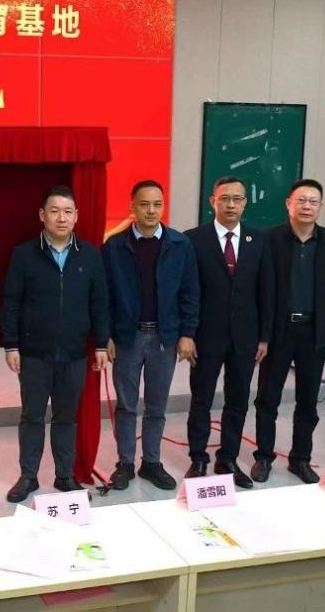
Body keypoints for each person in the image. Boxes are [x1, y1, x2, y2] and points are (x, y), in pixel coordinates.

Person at [0, 185, 110, 503]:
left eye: (67, 212)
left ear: (76, 217)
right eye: (54, 211)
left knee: (66, 417)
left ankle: (64, 475)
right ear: (42, 215)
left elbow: (99, 303)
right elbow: (11, 303)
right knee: (32, 416)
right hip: (34, 354)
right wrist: (11, 345)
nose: (61, 218)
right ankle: (28, 476)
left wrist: (101, 344)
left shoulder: (90, 255)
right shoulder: (24, 255)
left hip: (74, 353)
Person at [251, 179, 325, 484]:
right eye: (301, 200)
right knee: (268, 397)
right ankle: (263, 457)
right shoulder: (269, 239)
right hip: (278, 332)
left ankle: (300, 459)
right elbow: (258, 289)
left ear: (320, 206)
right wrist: (262, 335)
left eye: (313, 201)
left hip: (314, 332)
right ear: (288, 203)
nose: (307, 206)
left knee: (308, 400)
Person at [102, 180, 198, 492]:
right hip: (127, 338)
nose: (151, 210)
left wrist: (187, 334)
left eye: (157, 204)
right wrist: (106, 335)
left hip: (164, 338)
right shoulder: (114, 247)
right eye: (144, 204)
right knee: (127, 405)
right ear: (132, 206)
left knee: (157, 405)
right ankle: (125, 463)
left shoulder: (179, 245)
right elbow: (104, 296)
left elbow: (190, 293)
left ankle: (152, 462)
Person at [184, 176, 274, 489]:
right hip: (205, 336)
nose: (231, 204)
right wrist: (187, 334)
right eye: (225, 199)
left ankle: (228, 458)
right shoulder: (193, 239)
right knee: (201, 399)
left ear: (245, 203)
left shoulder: (258, 240)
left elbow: (267, 290)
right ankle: (198, 458)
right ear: (213, 202)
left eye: (237, 199)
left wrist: (265, 336)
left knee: (237, 401)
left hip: (245, 337)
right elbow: (188, 291)